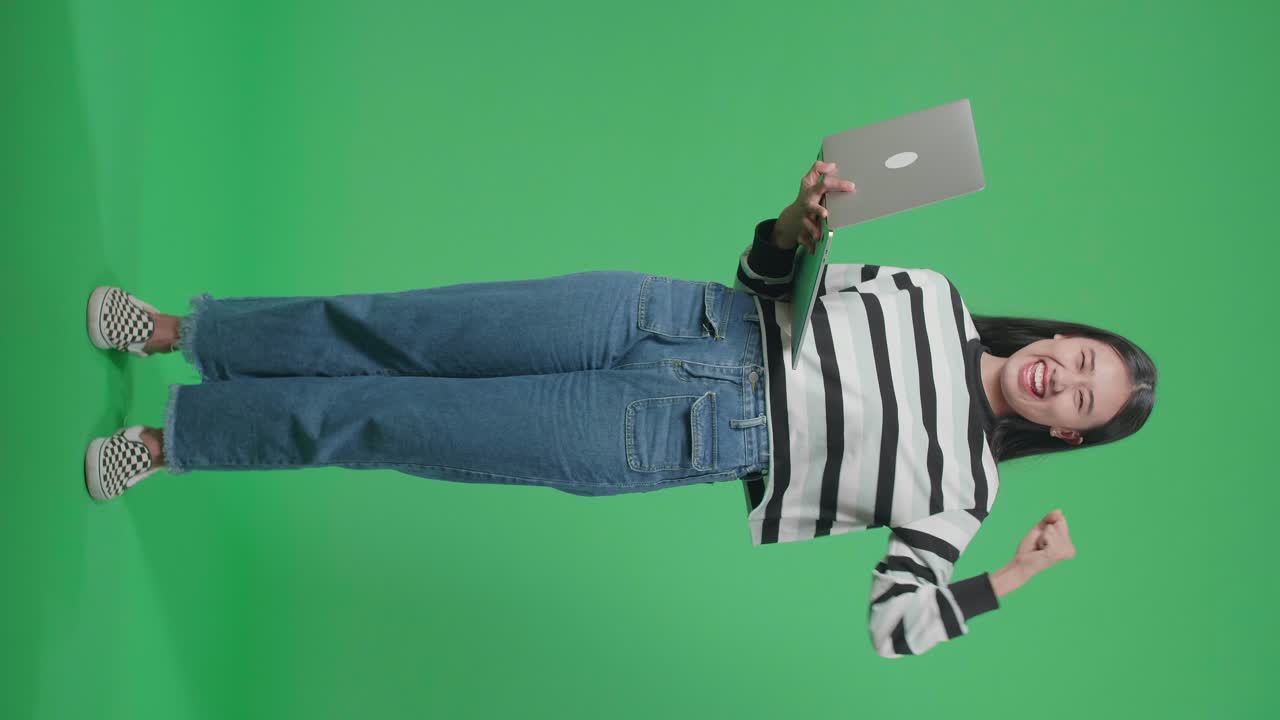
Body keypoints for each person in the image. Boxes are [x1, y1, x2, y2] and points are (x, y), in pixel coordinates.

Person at [83, 160, 1157, 658]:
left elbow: (896, 630)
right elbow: (767, 274)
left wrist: (1012, 573)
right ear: (1055, 336)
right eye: (1076, 355)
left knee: (393, 422)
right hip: (669, 319)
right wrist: (796, 216)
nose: (1061, 374)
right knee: (401, 327)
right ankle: (190, 333)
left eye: (1081, 397)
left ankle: (170, 439)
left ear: (1066, 432)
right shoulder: (932, 295)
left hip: (670, 436)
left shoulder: (964, 491)